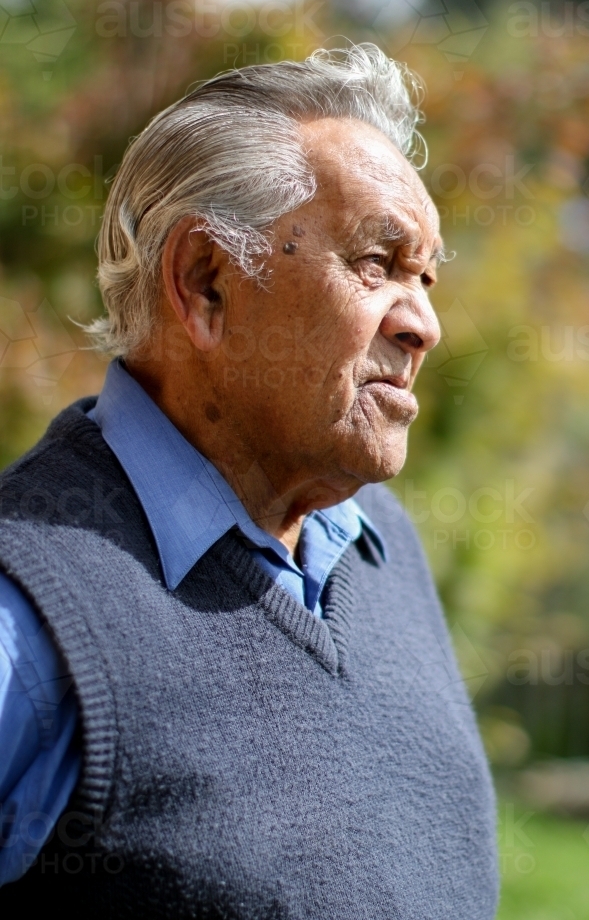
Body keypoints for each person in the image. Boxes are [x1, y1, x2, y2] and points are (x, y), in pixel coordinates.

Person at [0, 45, 498, 917]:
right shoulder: (29, 613)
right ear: (206, 285)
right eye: (377, 265)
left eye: (425, 277)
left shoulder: (383, 557)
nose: (423, 325)